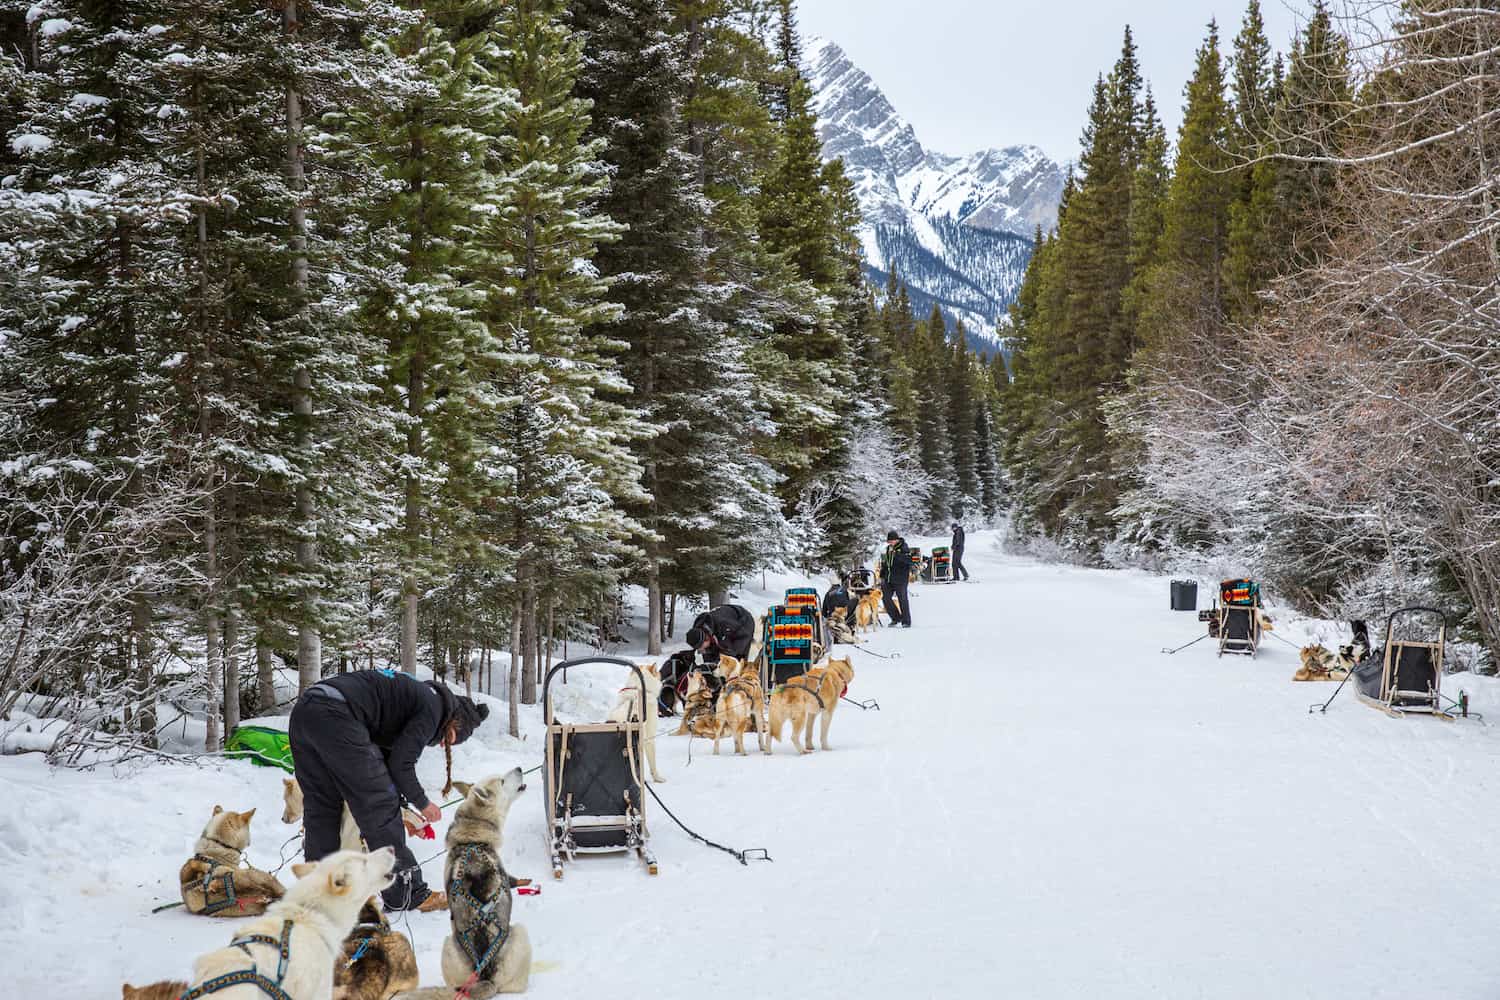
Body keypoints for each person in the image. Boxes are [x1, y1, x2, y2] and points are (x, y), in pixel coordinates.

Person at [288, 669, 489, 912]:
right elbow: (400, 766)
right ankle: (408, 894)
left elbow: (383, 766)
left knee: (322, 807)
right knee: (380, 808)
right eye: (450, 739)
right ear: (453, 721)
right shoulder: (433, 708)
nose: (443, 744)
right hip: (338, 715)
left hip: (306, 711)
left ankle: (317, 892)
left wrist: (403, 807)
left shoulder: (417, 698)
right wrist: (423, 803)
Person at [685, 604, 758, 662]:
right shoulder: (698, 632)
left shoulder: (723, 625)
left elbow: (744, 636)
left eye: (701, 648)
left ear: (706, 639)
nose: (701, 650)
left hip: (744, 622)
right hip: (722, 629)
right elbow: (708, 655)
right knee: (715, 656)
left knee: (736, 659)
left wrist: (731, 654)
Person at [878, 531, 913, 628]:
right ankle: (896, 617)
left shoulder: (903, 547)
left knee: (902, 599)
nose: (891, 543)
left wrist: (897, 555)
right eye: (889, 541)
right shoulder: (888, 549)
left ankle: (906, 621)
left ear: (897, 540)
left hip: (900, 578)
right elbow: (886, 563)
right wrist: (882, 575)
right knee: (886, 598)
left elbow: (909, 561)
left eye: (892, 541)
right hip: (888, 578)